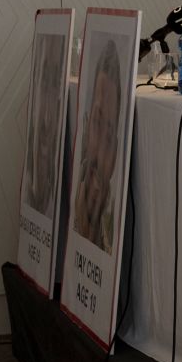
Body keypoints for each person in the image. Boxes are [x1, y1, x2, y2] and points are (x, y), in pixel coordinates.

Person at [72, 39, 123, 252]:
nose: (101, 149)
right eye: (97, 123)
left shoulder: (109, 240)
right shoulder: (73, 219)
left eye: (110, 136)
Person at [24, 36, 66, 218]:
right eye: (45, 79)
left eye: (55, 82)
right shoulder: (29, 190)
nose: (48, 117)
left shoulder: (54, 199)